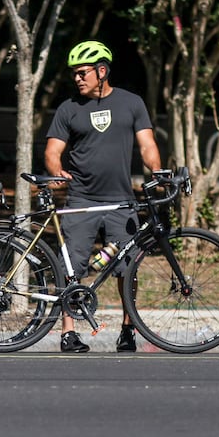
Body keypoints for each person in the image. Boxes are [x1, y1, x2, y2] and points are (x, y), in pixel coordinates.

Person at [44, 40, 162, 353]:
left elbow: (147, 145)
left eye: (83, 72)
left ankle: (128, 329)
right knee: (71, 266)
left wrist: (157, 171)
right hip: (81, 201)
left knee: (128, 268)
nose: (77, 78)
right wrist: (57, 171)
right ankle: (68, 332)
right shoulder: (69, 108)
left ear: (102, 71)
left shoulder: (131, 103)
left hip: (121, 201)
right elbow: (53, 150)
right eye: (75, 74)